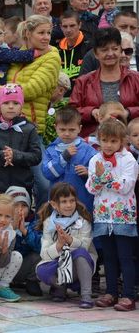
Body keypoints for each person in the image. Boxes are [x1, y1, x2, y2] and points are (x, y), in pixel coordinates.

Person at [0, 14, 61, 210]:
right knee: (4, 181)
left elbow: (29, 89)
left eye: (49, 33)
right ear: (28, 34)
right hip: (3, 125)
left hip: (30, 127)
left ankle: (43, 219)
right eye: (41, 33)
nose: (46, 37)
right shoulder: (17, 54)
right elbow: (0, 78)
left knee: (43, 181)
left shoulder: (52, 56)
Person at [86, 119, 139, 311]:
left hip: (122, 215)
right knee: (108, 256)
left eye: (113, 141)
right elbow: (91, 188)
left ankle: (128, 295)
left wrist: (104, 177)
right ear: (99, 140)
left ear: (122, 141)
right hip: (102, 215)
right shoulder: (94, 160)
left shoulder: (129, 160)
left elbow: (125, 186)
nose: (108, 145)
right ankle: (110, 292)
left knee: (125, 256)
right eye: (104, 140)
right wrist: (98, 178)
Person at [36, 182, 97, 308]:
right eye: (64, 201)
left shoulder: (83, 221)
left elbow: (85, 246)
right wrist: (58, 245)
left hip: (79, 267)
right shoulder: (48, 223)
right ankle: (60, 287)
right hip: (59, 263)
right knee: (41, 270)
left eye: (72, 200)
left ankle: (86, 295)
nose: (69, 205)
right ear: (54, 204)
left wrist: (70, 240)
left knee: (80, 253)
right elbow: (44, 253)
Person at [70, 27, 139, 138]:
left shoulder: (136, 79)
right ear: (96, 54)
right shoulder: (83, 82)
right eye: (104, 50)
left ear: (121, 50)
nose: (110, 53)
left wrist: (128, 113)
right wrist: (92, 112)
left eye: (115, 48)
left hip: (131, 143)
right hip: (93, 144)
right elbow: (71, 112)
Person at [0, 84, 42, 200]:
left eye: (16, 103)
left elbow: (36, 156)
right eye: (6, 103)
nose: (11, 107)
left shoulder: (29, 129)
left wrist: (16, 155)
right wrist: (2, 155)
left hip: (21, 187)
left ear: (21, 106)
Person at [42, 107, 97, 211]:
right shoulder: (51, 150)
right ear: (55, 128)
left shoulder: (88, 150)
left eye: (71, 130)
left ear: (80, 128)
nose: (67, 133)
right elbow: (47, 173)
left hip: (82, 203)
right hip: (58, 203)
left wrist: (88, 171)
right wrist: (63, 157)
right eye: (62, 129)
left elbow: (100, 172)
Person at [7, 186, 42, 297]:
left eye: (24, 205)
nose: (20, 209)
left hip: (24, 267)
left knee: (40, 254)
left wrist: (24, 232)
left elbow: (40, 247)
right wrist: (12, 228)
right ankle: (1, 283)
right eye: (16, 205)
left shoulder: (35, 223)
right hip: (3, 266)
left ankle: (31, 280)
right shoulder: (0, 220)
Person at [58, 10, 93, 93]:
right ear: (61, 27)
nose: (68, 30)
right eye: (65, 26)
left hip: (84, 96)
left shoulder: (91, 46)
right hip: (61, 98)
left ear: (80, 25)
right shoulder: (56, 50)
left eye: (72, 25)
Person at [43, 72, 72, 146]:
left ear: (61, 91)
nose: (46, 88)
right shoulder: (44, 105)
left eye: (50, 86)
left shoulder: (67, 108)